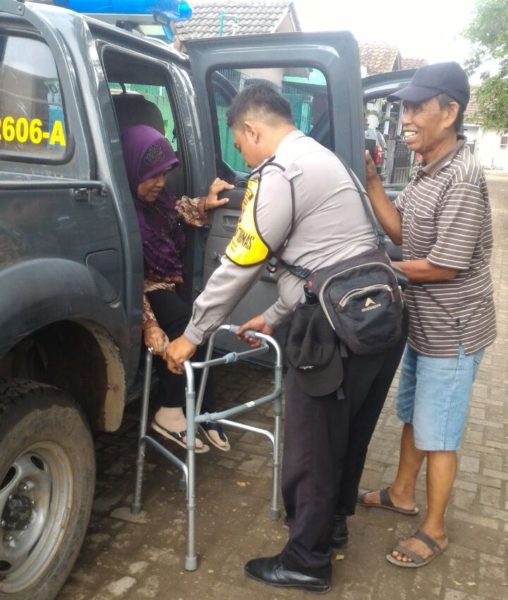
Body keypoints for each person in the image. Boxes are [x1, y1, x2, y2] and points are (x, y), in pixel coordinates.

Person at [164, 83, 406, 592]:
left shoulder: (280, 172)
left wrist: (191, 334)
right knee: (347, 437)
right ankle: (331, 526)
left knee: (312, 447)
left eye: (240, 143)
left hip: (332, 329)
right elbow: (325, 254)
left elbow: (241, 262)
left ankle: (306, 560)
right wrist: (274, 315)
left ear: (252, 130)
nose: (243, 156)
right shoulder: (323, 159)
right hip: (376, 314)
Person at [360, 62, 496, 567]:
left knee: (439, 432)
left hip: (454, 330)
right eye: (405, 107)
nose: (408, 117)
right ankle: (401, 492)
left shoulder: (459, 178)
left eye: (418, 107)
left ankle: (434, 530)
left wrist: (376, 268)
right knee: (415, 414)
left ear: (451, 111)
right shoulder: (426, 168)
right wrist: (374, 182)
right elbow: (404, 236)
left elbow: (442, 266)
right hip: (424, 325)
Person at [121, 124, 235, 452]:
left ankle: (205, 408)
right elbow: (130, 275)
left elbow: (180, 210)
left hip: (169, 285)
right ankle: (169, 411)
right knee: (188, 325)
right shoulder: (123, 213)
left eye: (164, 174)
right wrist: (149, 323)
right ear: (130, 169)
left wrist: (206, 203)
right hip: (141, 290)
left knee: (203, 324)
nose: (160, 183)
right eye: (152, 176)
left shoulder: (161, 202)